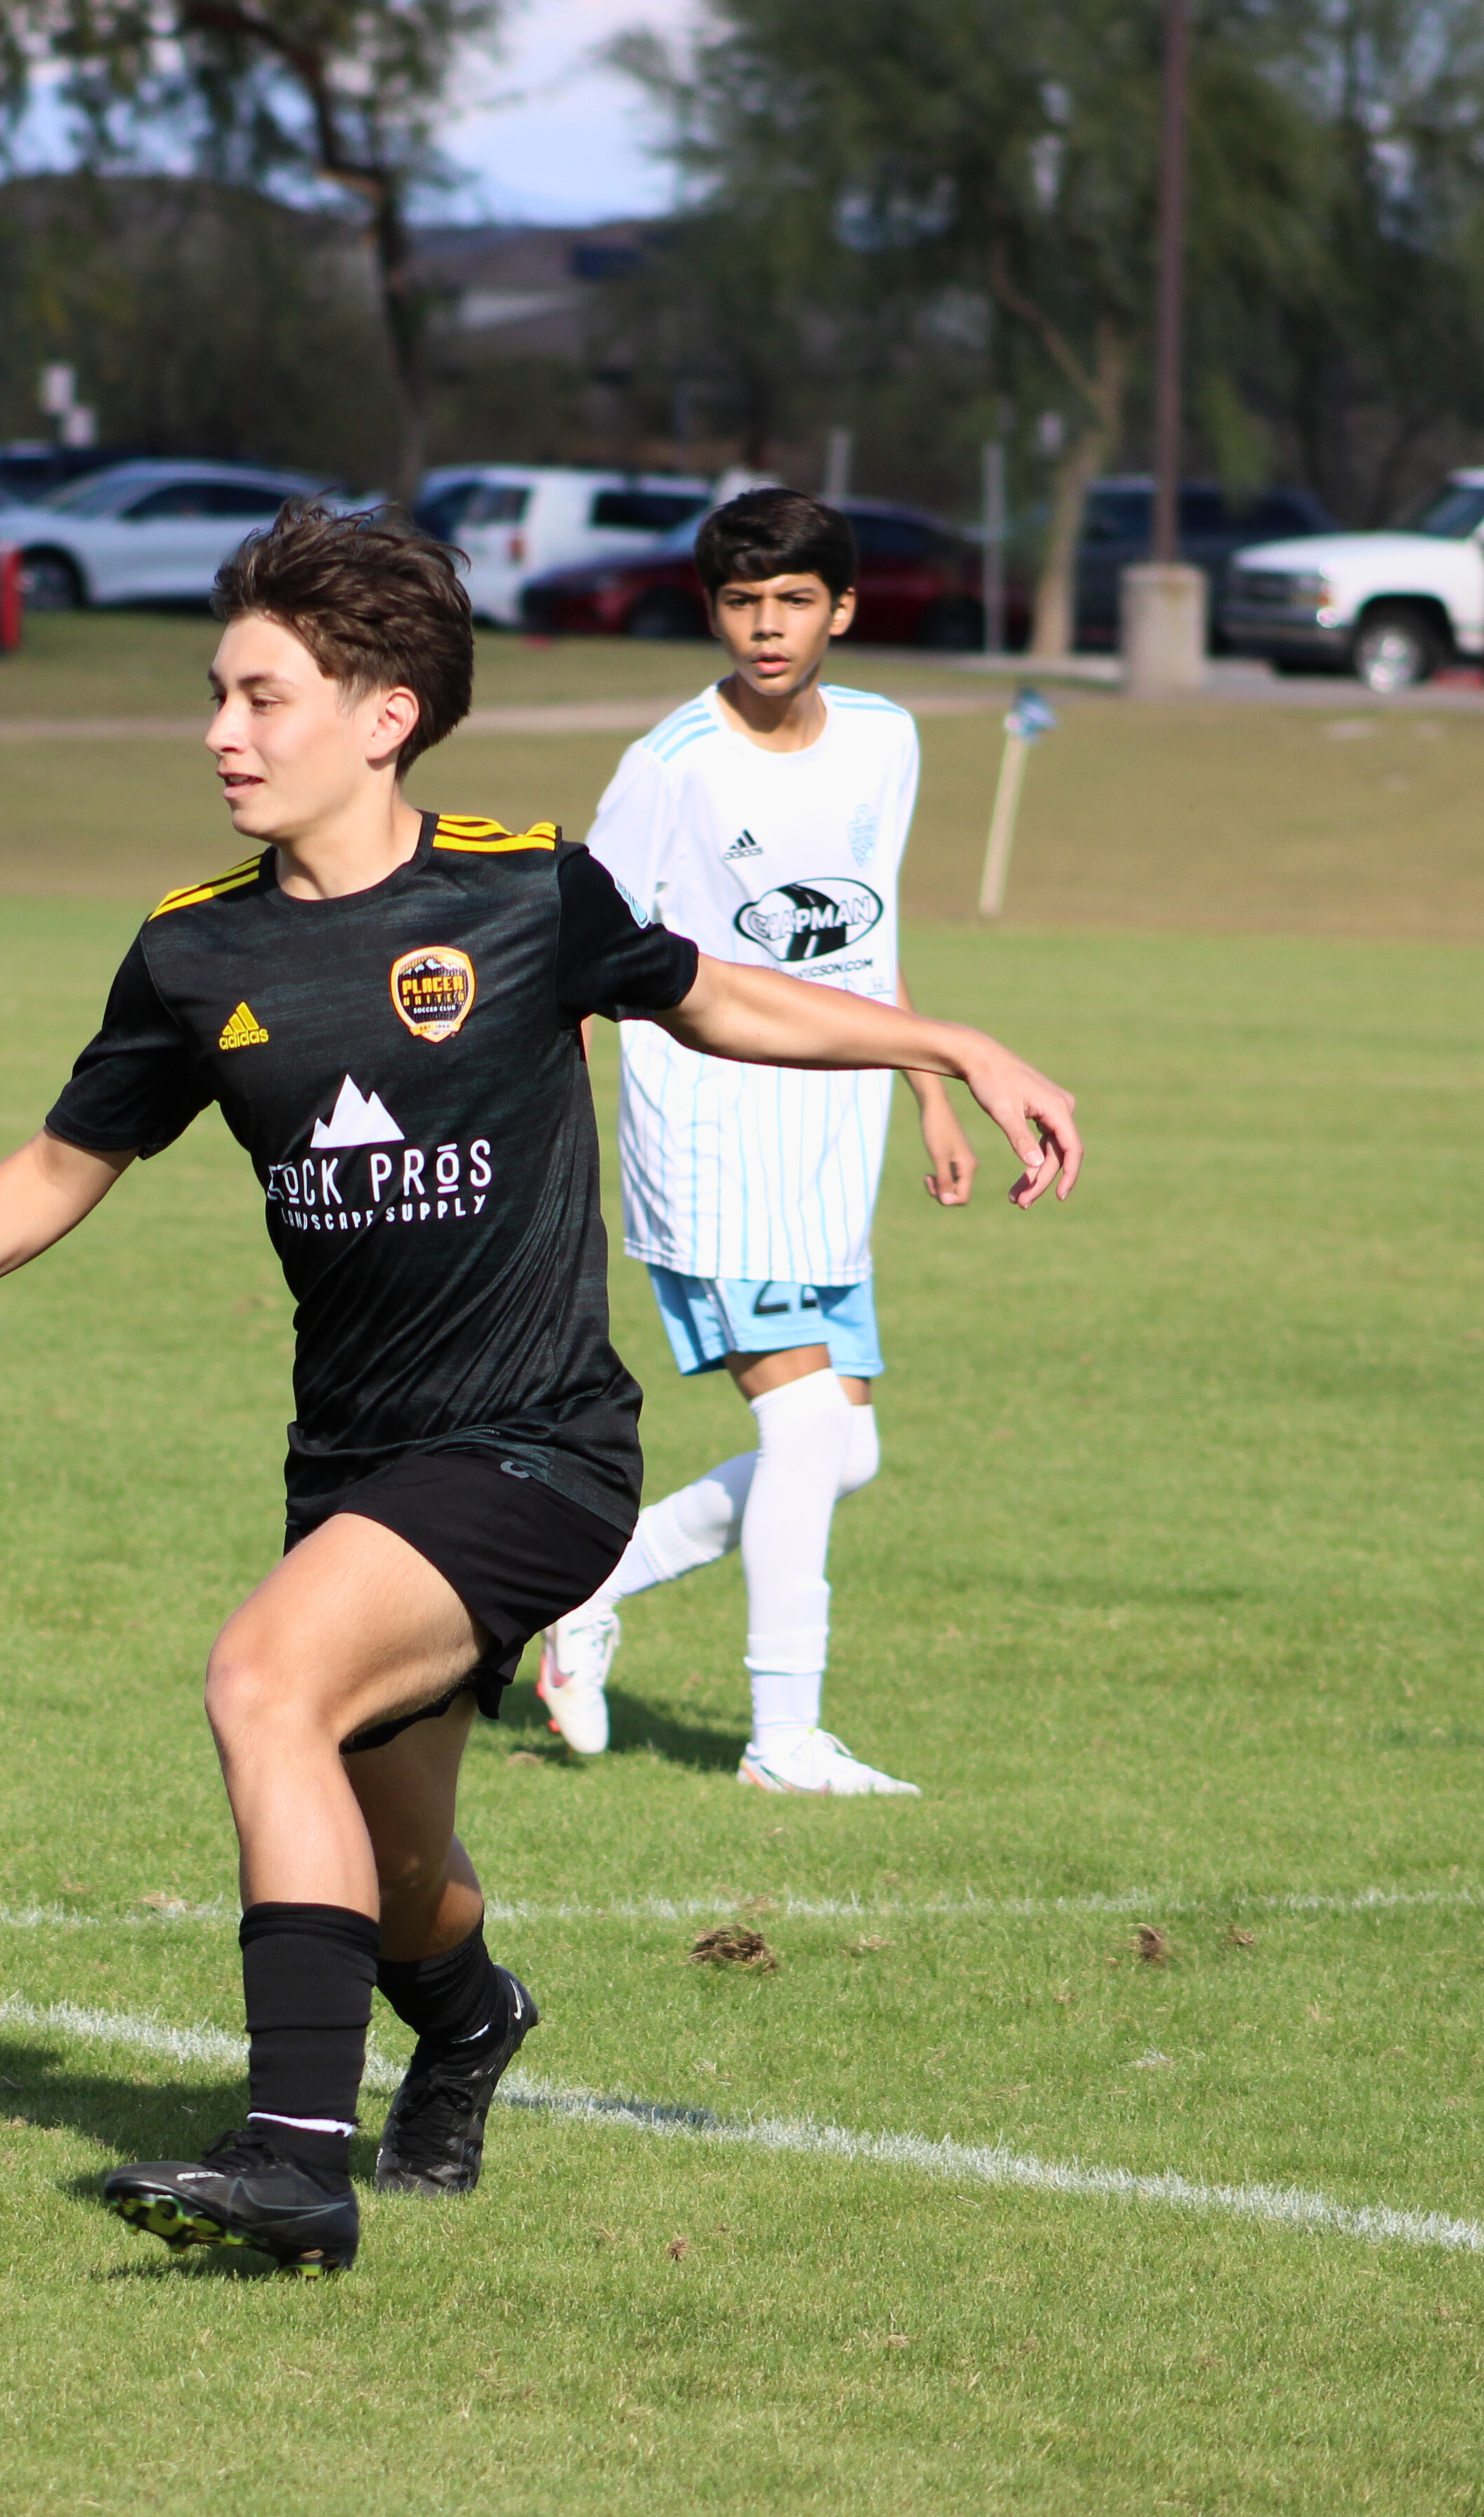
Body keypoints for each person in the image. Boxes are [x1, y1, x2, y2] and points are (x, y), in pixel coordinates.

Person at [0, 506, 1082, 2274]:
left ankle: (293, 2158)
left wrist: (949, 1039)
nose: (223, 730)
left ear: (382, 714)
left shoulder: (523, 889)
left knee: (257, 1677)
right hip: (353, 1463)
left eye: (263, 695)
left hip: (537, 1447)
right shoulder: (194, 952)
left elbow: (719, 998)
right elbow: (62, 1166)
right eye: (217, 693)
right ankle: (466, 2016)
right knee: (394, 1865)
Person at [529, 489, 969, 1794]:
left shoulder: (888, 740)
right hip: (711, 1131)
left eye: (792, 602)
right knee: (801, 1439)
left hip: (833, 1130)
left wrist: (928, 1085)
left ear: (842, 608)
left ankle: (586, 1587)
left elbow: (869, 935)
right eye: (740, 602)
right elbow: (581, 951)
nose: (766, 628)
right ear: (711, 611)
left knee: (851, 1447)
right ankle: (781, 1742)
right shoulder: (671, 766)